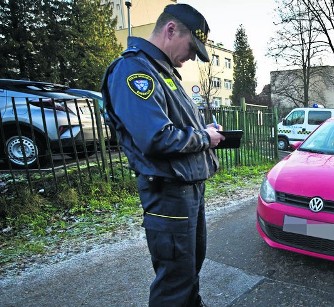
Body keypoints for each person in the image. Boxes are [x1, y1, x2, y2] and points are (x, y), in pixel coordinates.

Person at [101, 4, 224, 306]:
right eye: (192, 47)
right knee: (174, 281)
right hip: (168, 194)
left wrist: (203, 129)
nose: (193, 57)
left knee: (190, 269)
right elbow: (156, 137)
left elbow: (175, 127)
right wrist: (204, 137)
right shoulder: (134, 71)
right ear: (170, 30)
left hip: (188, 189)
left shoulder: (164, 72)